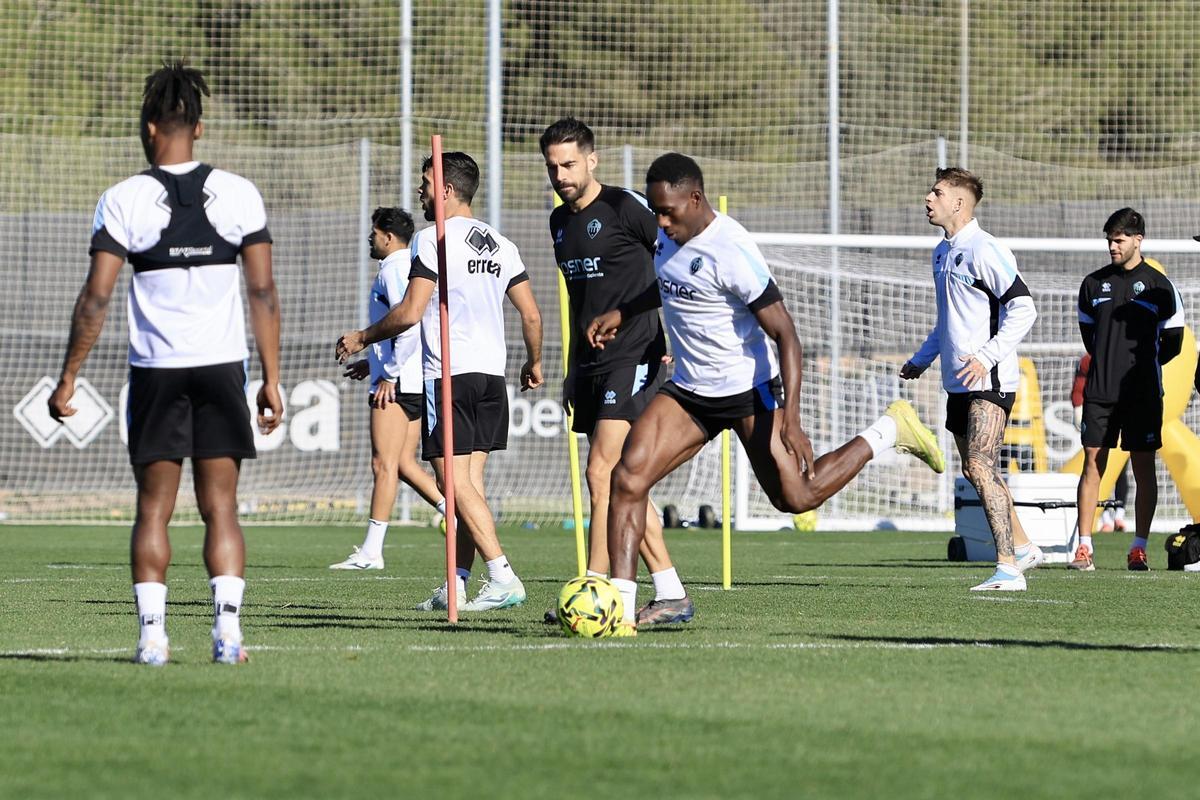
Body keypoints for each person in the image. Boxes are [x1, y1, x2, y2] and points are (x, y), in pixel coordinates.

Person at [588, 153, 946, 635]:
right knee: (626, 479)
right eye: (656, 211)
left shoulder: (731, 249)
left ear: (696, 199)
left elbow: (786, 335)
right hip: (691, 393)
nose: (661, 221)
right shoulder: (667, 236)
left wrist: (792, 419)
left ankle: (889, 429)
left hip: (749, 393)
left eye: (669, 211)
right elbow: (674, 284)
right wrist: (623, 311)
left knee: (796, 498)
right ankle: (621, 610)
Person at [47, 61, 282, 665]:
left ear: (150, 127)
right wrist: (273, 379)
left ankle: (153, 637)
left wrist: (70, 374)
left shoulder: (122, 199)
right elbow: (262, 294)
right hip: (223, 367)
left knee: (152, 507)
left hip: (156, 371)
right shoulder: (238, 193)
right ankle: (227, 635)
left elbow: (95, 296)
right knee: (221, 506)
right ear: (197, 129)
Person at [336, 152, 543, 611]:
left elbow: (411, 312)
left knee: (454, 485)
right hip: (491, 376)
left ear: (447, 190)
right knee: (468, 487)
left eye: (426, 183)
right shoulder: (501, 243)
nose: (421, 192)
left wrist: (363, 338)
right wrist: (535, 362)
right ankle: (459, 581)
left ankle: (503, 575)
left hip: (448, 375)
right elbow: (530, 313)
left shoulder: (432, 240)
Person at [540, 117, 691, 626]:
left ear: (592, 160)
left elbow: (678, 261)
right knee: (626, 480)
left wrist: (676, 336)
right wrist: (570, 370)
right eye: (552, 166)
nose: (560, 175)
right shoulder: (559, 223)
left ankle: (597, 589)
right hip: (591, 365)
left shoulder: (626, 209)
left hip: (637, 353)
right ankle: (670, 591)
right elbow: (580, 302)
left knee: (601, 471)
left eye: (569, 164)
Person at [901, 167, 1042, 592]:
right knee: (973, 467)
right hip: (957, 382)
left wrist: (986, 356)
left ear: (958, 203)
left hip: (990, 380)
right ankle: (1025, 546)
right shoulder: (941, 252)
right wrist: (922, 360)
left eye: (937, 192)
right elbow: (948, 321)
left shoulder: (985, 249)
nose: (928, 198)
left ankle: (1008, 568)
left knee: (981, 465)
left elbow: (1024, 309)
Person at [1069, 208, 1184, 571]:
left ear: (1138, 240)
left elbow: (1173, 341)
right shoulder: (1092, 284)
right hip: (1100, 391)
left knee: (1142, 465)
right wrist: (1109, 362)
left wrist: (1140, 371)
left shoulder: (1160, 286)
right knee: (1092, 462)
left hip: (1143, 392)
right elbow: (1091, 338)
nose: (1112, 247)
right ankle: (1084, 547)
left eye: (1119, 240)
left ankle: (1138, 547)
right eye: (1109, 240)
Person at [331, 207, 446, 570]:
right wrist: (375, 363)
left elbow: (408, 325)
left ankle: (371, 552)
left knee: (382, 464)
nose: (370, 238)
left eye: (374, 232)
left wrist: (390, 374)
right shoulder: (401, 267)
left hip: (400, 383)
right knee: (404, 464)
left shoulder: (396, 269)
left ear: (388, 237)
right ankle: (455, 515)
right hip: (411, 378)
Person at [1071, 354, 1129, 533]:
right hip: (1099, 415)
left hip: (1123, 411)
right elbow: (1079, 387)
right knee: (1096, 467)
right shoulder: (1089, 359)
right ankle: (1104, 516)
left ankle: (1119, 513)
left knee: (1120, 469)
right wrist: (1078, 409)